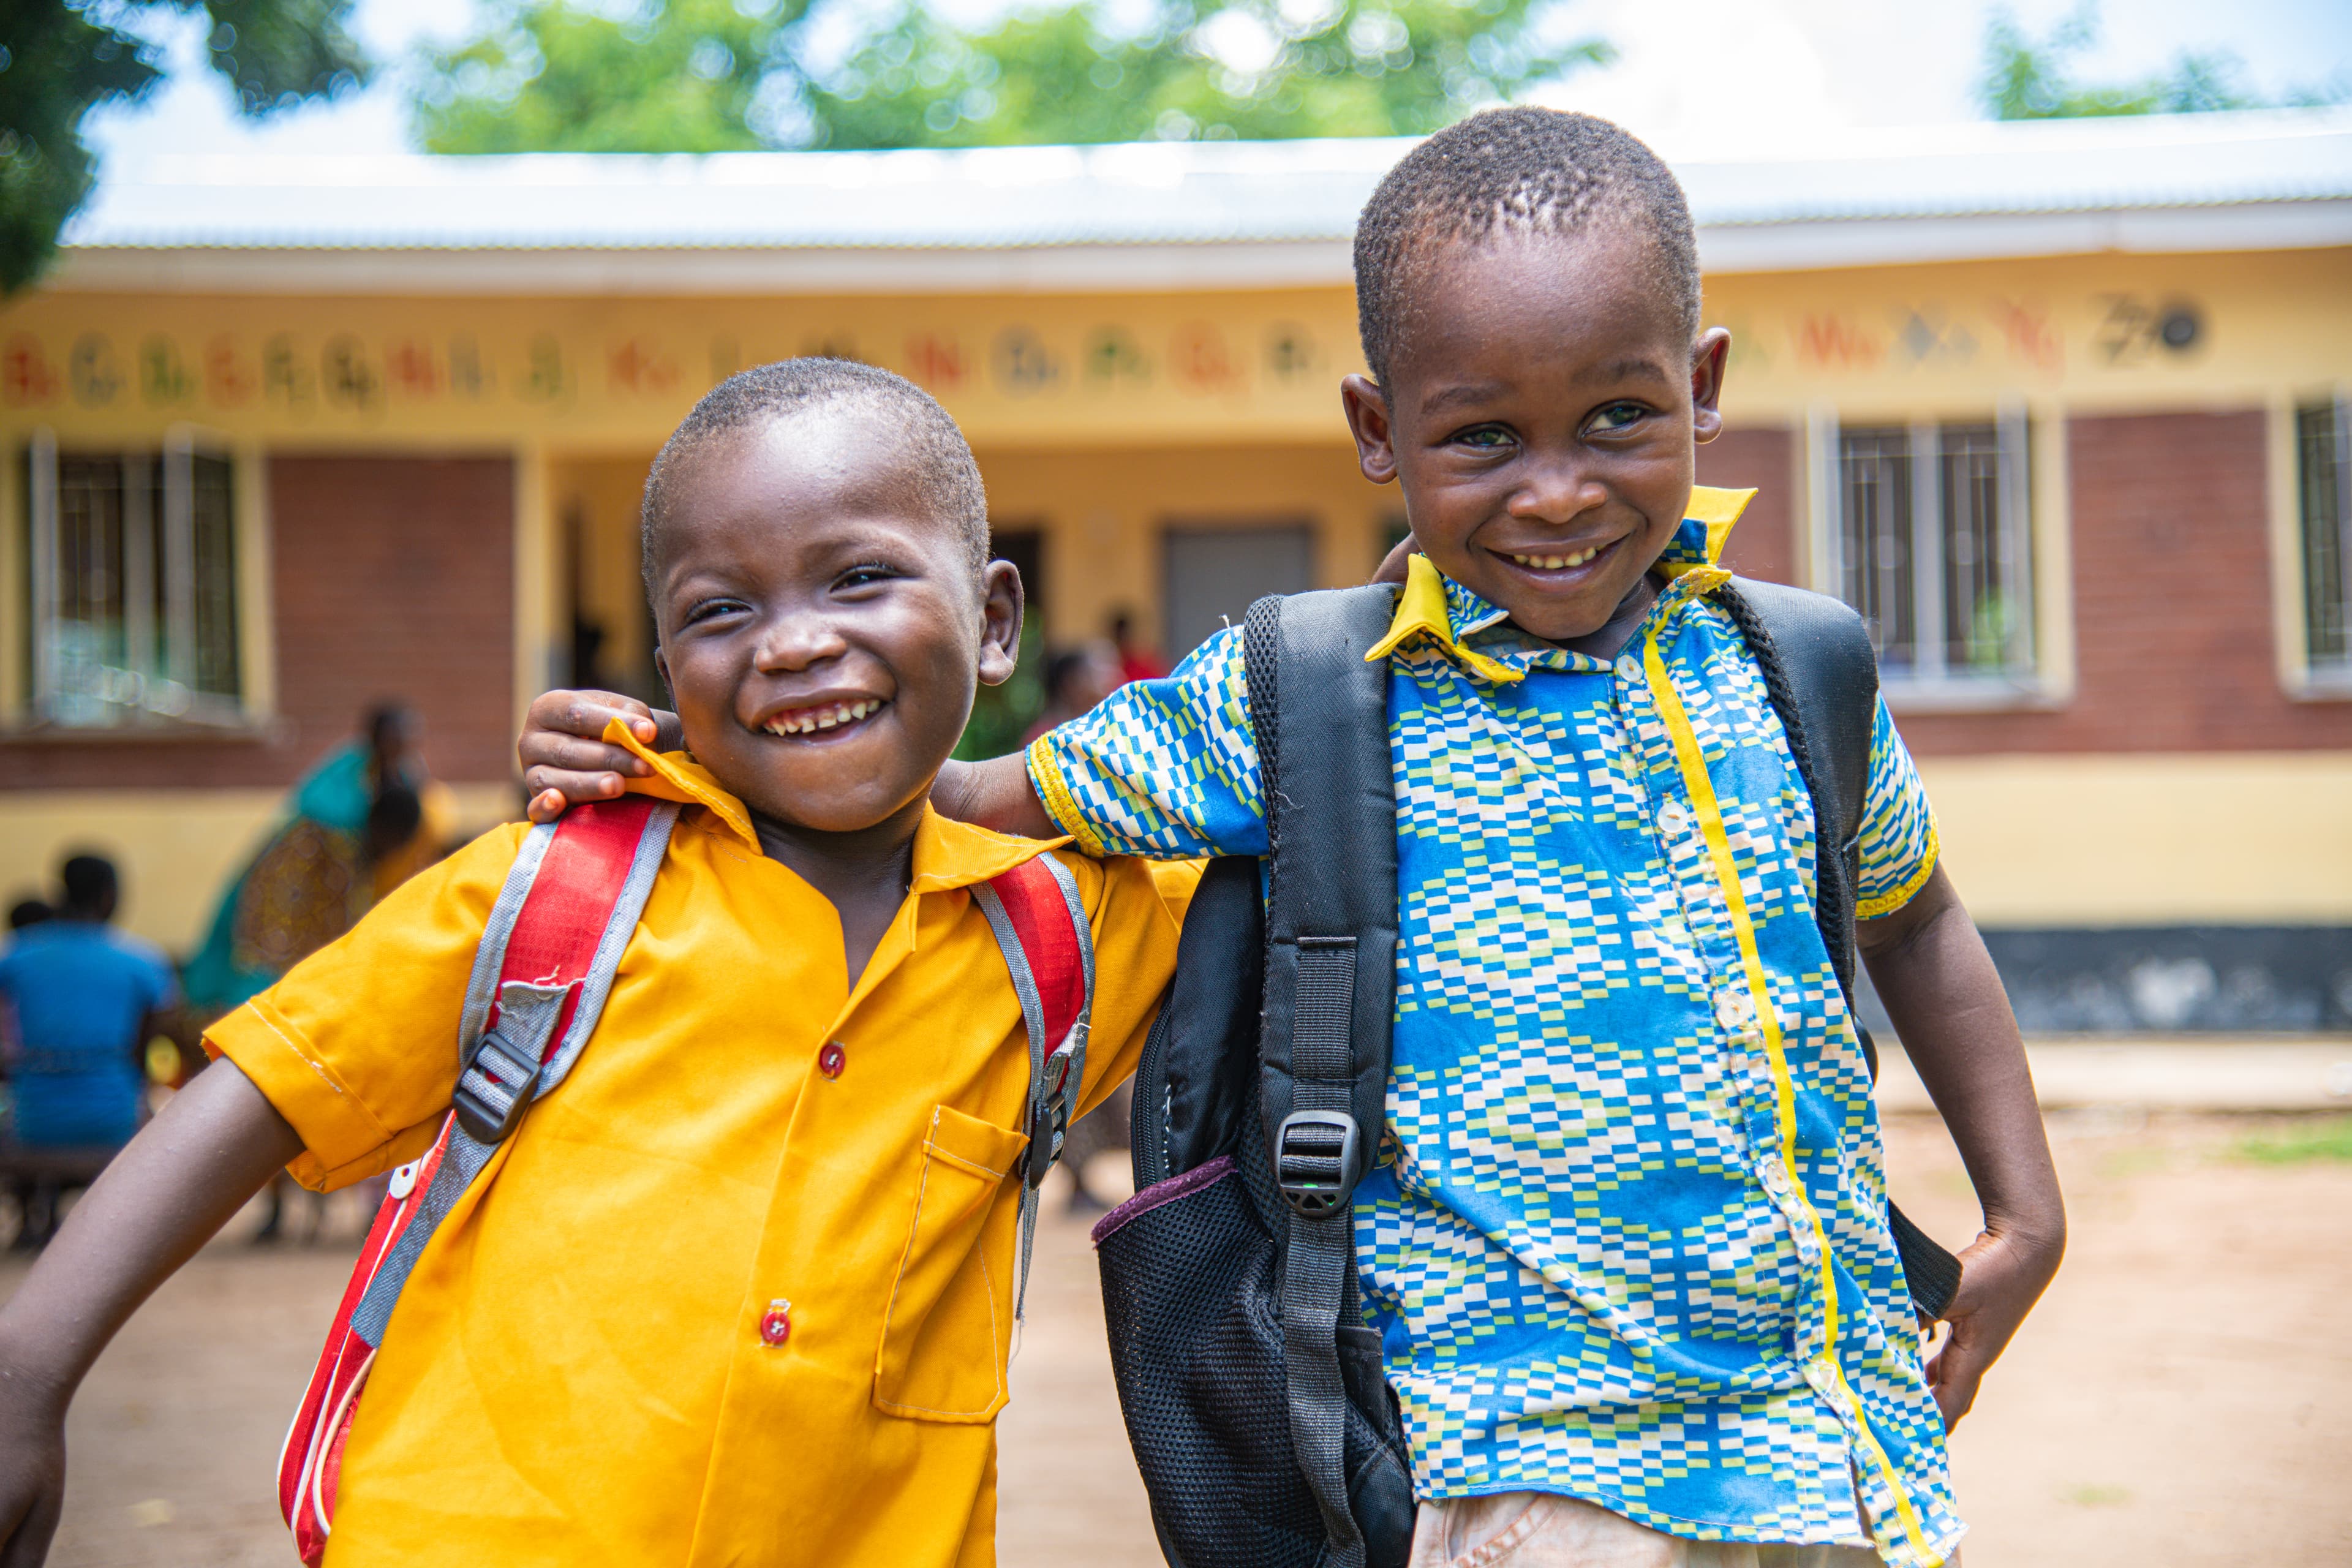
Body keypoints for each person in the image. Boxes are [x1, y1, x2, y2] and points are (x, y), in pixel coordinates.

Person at [519, 110, 2064, 1568]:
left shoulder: (1797, 670)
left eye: (1617, 416)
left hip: (1840, 1435)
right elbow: (964, 794)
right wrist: (676, 745)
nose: (1556, 489)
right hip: (1521, 1462)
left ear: (1701, 384)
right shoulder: (1305, 693)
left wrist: (2021, 1205)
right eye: (1480, 438)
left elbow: (1911, 922)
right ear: (1377, 432)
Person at [0, 360, 1190, 1568]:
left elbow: (1342, 702)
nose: (792, 642)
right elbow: (260, 1087)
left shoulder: (1061, 932)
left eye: (861, 577)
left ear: (995, 622)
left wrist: (981, 786)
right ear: (666, 662)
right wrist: (24, 1372)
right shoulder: (553, 893)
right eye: (722, 609)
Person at [181, 702, 455, 1019]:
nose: (403, 746)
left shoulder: (409, 780)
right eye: (397, 737)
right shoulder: (341, 788)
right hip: (301, 874)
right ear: (375, 737)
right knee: (269, 957)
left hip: (345, 884)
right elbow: (317, 817)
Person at [0, 855, 179, 1248]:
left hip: (35, 1120)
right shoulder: (142, 962)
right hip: (111, 1117)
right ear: (108, 895)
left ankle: (36, 1218)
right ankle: (114, 1230)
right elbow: (144, 1054)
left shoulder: (15, 956)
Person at [1106, 609, 1166, 686]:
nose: (1123, 643)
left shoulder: (1144, 666)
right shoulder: (1109, 670)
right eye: (1120, 638)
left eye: (1125, 637)